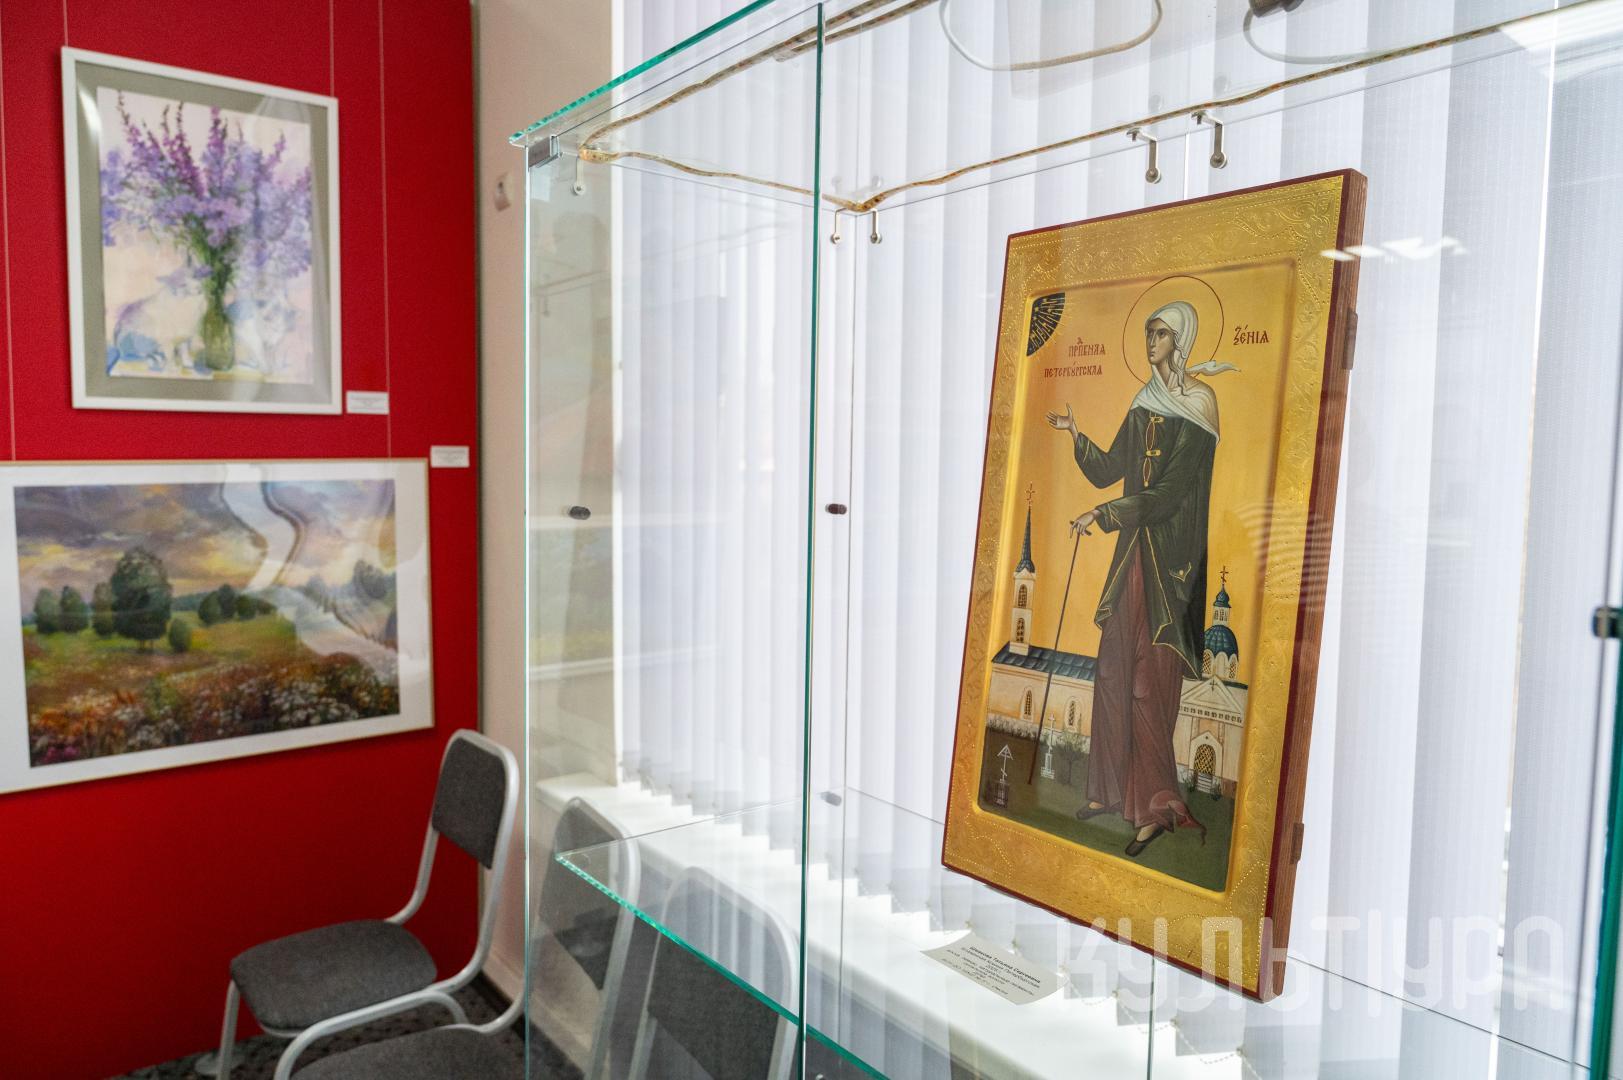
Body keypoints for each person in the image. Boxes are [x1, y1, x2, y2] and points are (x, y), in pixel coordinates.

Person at [1044, 300, 1229, 857]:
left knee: (1149, 685)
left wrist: (1103, 515)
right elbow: (1110, 469)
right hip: (1131, 562)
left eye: (1161, 333)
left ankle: (1153, 808)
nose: (1151, 341)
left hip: (1169, 572)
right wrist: (1076, 434)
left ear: (1181, 340)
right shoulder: (1143, 401)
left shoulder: (1200, 407)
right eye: (1148, 332)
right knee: (1110, 673)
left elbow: (1167, 495)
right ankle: (1106, 793)